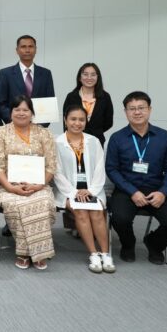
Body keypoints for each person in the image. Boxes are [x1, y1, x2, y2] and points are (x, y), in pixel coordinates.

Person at [105, 91, 167, 265]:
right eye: (132, 108)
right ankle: (128, 244)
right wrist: (132, 192)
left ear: (149, 109)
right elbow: (112, 169)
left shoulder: (164, 137)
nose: (137, 112)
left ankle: (154, 244)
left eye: (141, 108)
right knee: (119, 219)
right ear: (125, 112)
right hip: (127, 190)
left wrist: (163, 192)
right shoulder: (117, 138)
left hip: (156, 190)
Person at [0, 95, 57, 270]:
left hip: (39, 185)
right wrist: (11, 187)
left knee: (45, 202)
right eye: (17, 109)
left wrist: (39, 185)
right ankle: (34, 252)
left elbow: (51, 166)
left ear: (32, 113)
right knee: (15, 204)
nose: (21, 113)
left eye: (25, 110)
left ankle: (28, 252)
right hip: (6, 185)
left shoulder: (44, 133)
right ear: (10, 112)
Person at [53, 105, 115, 273]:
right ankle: (93, 254)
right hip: (66, 190)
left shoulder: (93, 141)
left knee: (97, 212)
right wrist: (74, 193)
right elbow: (56, 172)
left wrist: (91, 191)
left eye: (81, 119)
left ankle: (105, 254)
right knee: (80, 211)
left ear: (86, 121)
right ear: (65, 120)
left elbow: (100, 168)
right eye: (73, 119)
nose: (77, 123)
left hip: (93, 189)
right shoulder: (56, 142)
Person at [0, 35, 54, 125]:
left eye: (31, 46)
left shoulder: (46, 74)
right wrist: (15, 121)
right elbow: (1, 103)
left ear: (36, 49)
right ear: (17, 50)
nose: (27, 50)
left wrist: (41, 125)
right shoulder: (6, 74)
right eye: (23, 47)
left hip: (39, 127)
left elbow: (49, 102)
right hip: (14, 126)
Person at [62, 63, 113, 146]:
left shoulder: (105, 97)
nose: (89, 78)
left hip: (96, 141)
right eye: (85, 74)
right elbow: (66, 121)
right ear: (79, 77)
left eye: (93, 75)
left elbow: (108, 122)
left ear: (98, 77)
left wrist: (95, 131)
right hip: (74, 141)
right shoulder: (71, 97)